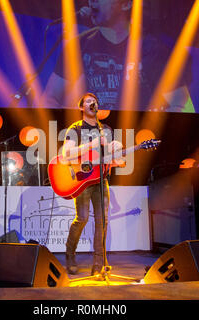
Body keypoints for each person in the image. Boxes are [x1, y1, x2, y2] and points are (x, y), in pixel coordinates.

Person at [43, 0, 192, 112]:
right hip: (93, 143)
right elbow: (50, 97)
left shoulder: (154, 50)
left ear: (126, 4)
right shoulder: (78, 46)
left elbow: (181, 105)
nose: (92, 1)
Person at [62, 92, 124, 276]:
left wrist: (117, 159)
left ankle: (98, 265)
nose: (92, 102)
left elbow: (108, 158)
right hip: (82, 181)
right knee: (82, 218)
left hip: (101, 180)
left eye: (94, 101)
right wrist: (93, 143)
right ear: (82, 107)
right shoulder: (75, 129)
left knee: (102, 221)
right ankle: (70, 255)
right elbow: (67, 154)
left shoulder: (106, 129)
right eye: (88, 101)